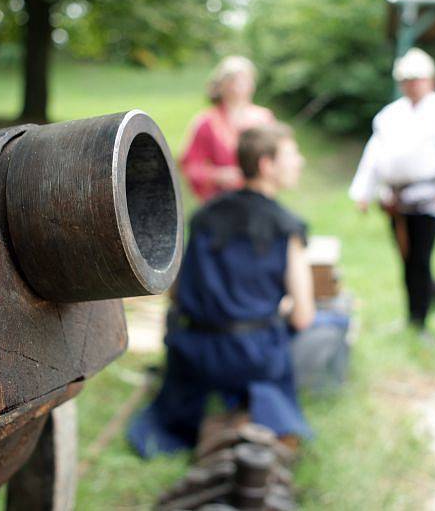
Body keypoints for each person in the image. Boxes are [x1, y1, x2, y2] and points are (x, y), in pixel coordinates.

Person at [128, 123, 315, 458]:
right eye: (292, 154)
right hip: (252, 357)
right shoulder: (288, 227)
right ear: (266, 165)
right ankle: (253, 414)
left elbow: (175, 293)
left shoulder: (204, 217)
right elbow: (303, 317)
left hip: (194, 353)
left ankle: (207, 418)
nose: (300, 161)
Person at [348, 48, 435, 338]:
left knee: (421, 259)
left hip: (427, 197)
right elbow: (374, 155)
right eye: (406, 79)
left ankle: (421, 319)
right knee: (406, 259)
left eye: (417, 79)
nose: (412, 84)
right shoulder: (391, 115)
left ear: (429, 79)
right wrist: (364, 192)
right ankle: (412, 316)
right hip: (395, 200)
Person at [180, 55, 275, 203]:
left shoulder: (264, 118)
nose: (239, 85)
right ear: (220, 85)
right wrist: (217, 175)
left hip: (259, 200)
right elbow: (191, 166)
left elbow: (277, 159)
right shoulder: (206, 122)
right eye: (233, 80)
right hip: (221, 201)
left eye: (245, 79)